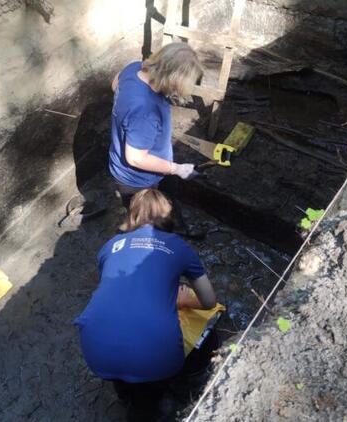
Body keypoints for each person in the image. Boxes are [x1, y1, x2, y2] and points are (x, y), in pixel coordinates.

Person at [74, 189, 216, 421]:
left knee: (123, 375)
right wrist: (181, 299)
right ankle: (149, 407)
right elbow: (209, 301)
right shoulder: (179, 246)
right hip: (154, 356)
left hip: (95, 348)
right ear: (168, 216)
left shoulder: (110, 245)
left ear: (132, 215)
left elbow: (115, 290)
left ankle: (124, 394)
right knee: (148, 396)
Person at [108, 42, 203, 210]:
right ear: (172, 80)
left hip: (121, 163)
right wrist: (176, 169)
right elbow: (136, 158)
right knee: (146, 219)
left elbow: (115, 84)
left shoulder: (134, 68)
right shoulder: (145, 111)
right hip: (138, 181)